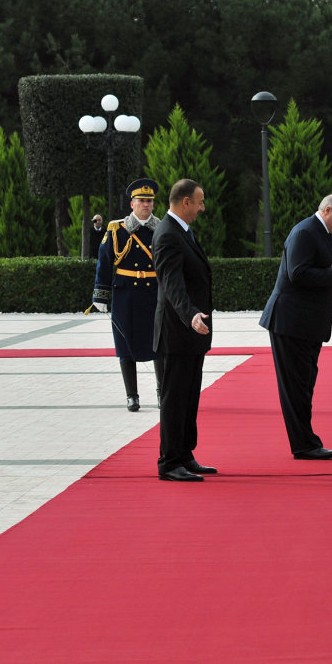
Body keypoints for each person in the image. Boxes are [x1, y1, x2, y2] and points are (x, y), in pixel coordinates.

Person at [260, 192, 332, 461]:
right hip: (290, 323)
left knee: (304, 384)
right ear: (326, 210)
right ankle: (304, 445)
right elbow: (297, 273)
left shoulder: (323, 233)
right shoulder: (304, 232)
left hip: (305, 324)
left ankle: (307, 440)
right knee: (296, 386)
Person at [152, 179, 214, 483]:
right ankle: (169, 461)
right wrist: (190, 315)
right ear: (185, 202)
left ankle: (185, 454)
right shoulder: (167, 235)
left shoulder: (182, 231)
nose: (202, 208)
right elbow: (171, 284)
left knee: (189, 397)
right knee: (174, 399)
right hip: (177, 331)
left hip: (192, 332)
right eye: (199, 202)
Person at [92, 179, 163, 412]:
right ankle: (132, 395)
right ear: (132, 204)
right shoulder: (116, 229)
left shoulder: (161, 228)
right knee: (125, 342)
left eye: (149, 201)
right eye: (141, 201)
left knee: (158, 343)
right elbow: (104, 263)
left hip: (153, 292)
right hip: (126, 293)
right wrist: (100, 296)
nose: (146, 205)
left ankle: (163, 392)